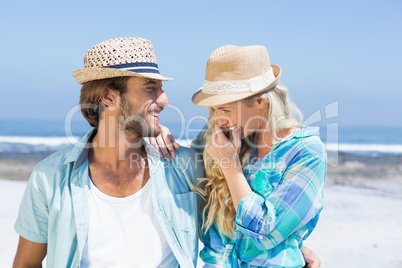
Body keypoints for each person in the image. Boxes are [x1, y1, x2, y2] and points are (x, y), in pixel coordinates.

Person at [13, 37, 204, 267]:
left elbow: (228, 243)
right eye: (151, 88)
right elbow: (26, 263)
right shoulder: (49, 177)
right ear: (108, 97)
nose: (164, 100)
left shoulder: (184, 166)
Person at [154, 44, 326, 267]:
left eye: (225, 109)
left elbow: (266, 233)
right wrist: (154, 134)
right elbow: (174, 176)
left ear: (260, 103)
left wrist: (231, 167)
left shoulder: (305, 151)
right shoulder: (219, 139)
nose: (218, 120)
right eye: (214, 110)